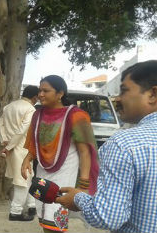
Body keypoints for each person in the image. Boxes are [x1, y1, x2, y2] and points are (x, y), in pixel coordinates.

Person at [56, 60, 157, 233]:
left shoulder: (125, 144)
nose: (117, 98)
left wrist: (78, 198)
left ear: (153, 94)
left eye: (124, 90)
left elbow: (108, 216)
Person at [20, 75, 99, 233]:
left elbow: (85, 152)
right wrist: (27, 159)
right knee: (44, 216)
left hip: (65, 175)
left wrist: (83, 186)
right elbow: (34, 143)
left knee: (55, 219)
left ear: (60, 93)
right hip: (43, 172)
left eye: (46, 91)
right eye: (39, 90)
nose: (40, 94)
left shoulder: (76, 115)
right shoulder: (37, 115)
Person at [0, 85, 39, 222]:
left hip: (12, 148)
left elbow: (0, 124)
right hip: (22, 148)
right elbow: (22, 130)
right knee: (23, 179)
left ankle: (32, 206)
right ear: (34, 97)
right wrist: (9, 146)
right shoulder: (30, 109)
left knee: (28, 177)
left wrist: (4, 140)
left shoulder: (8, 107)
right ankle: (15, 212)